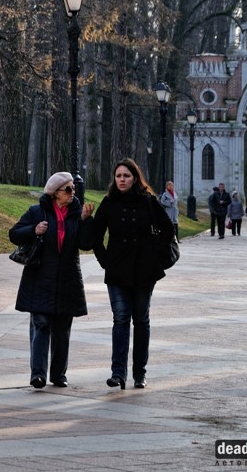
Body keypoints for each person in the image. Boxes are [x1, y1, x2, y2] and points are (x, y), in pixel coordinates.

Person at [89, 158, 174, 390]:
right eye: (118, 176)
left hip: (144, 269)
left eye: (126, 176)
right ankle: (118, 373)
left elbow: (167, 228)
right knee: (120, 319)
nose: (122, 180)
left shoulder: (147, 201)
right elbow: (96, 236)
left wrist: (154, 253)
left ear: (135, 178)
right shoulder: (108, 203)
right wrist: (104, 260)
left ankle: (139, 373)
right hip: (117, 270)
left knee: (141, 319)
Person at [9, 172, 94, 389]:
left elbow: (86, 244)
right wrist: (33, 230)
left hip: (67, 280)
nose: (72, 193)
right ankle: (38, 374)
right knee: (41, 324)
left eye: (73, 189)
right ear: (55, 193)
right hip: (40, 277)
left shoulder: (76, 214)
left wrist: (86, 221)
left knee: (62, 330)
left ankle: (59, 375)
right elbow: (14, 234)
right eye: (68, 189)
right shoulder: (37, 212)